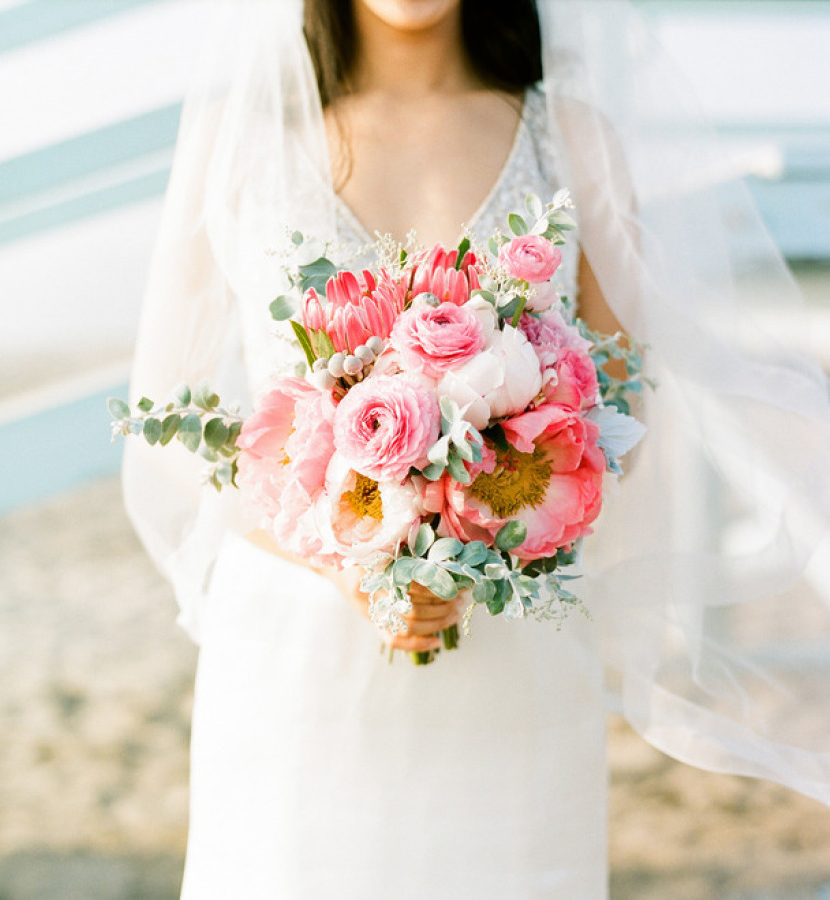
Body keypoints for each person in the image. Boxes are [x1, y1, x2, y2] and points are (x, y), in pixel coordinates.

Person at [123, 1, 830, 896]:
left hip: (509, 650)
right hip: (297, 645)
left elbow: (620, 411)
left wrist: (487, 516)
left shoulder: (570, 139)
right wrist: (345, 553)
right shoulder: (249, 139)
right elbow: (160, 416)